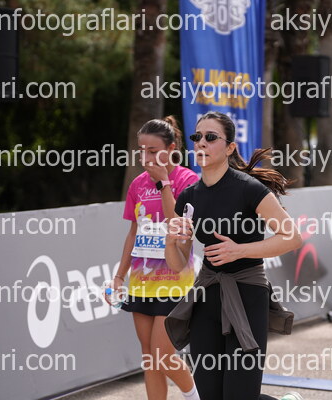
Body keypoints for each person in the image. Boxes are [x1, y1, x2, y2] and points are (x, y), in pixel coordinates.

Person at [164, 111, 303, 400]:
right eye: (197, 137)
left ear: (230, 148)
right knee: (210, 395)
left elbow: (292, 237)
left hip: (247, 297)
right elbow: (178, 265)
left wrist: (238, 250)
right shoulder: (188, 197)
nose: (201, 142)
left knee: (240, 395)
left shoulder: (249, 189)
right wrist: (171, 240)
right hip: (206, 299)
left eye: (210, 137)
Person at [109, 116, 200, 400]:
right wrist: (119, 276)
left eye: (153, 151)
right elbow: (133, 233)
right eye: (142, 150)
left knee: (163, 354)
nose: (146, 157)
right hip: (142, 281)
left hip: (175, 280)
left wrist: (164, 183)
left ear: (171, 148)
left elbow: (177, 225)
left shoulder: (188, 180)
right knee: (149, 356)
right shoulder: (137, 184)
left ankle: (195, 397)